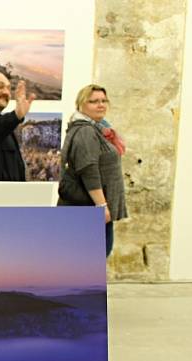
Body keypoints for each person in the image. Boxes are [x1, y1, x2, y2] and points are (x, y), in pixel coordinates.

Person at [58, 84, 128, 257]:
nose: (101, 105)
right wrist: (102, 206)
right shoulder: (86, 131)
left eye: (104, 100)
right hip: (87, 209)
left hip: (88, 208)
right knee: (86, 261)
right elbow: (89, 170)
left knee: (85, 263)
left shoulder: (98, 129)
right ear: (81, 104)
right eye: (94, 101)